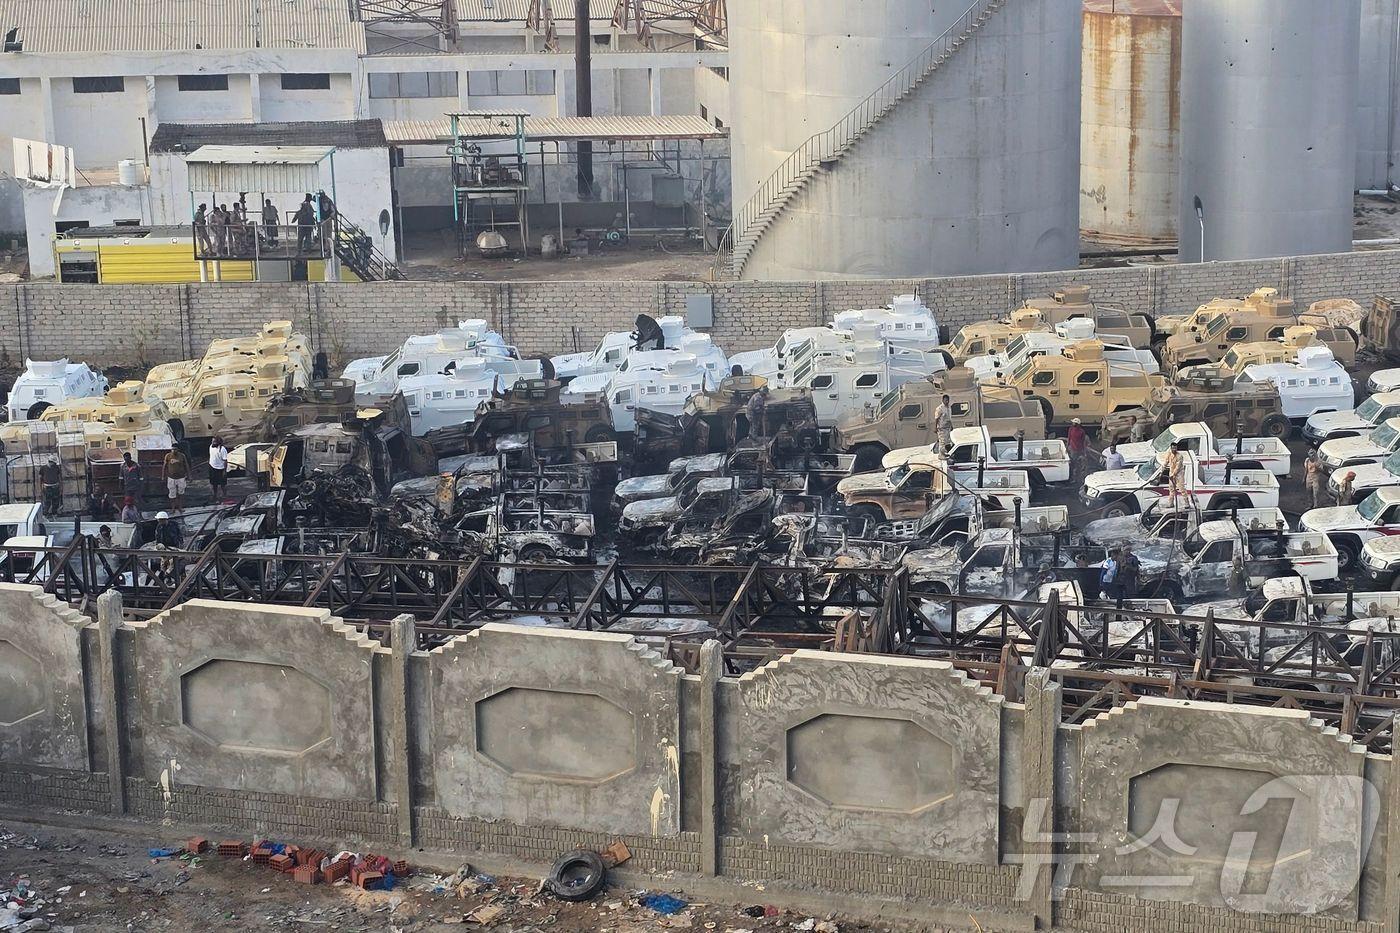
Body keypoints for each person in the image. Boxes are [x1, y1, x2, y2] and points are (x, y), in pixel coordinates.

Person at [164, 445, 190, 512]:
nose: (173, 451)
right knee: (172, 494)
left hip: (181, 477)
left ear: (178, 450)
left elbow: (186, 465)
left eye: (175, 449)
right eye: (172, 449)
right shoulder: (168, 456)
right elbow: (164, 466)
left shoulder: (182, 456)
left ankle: (180, 507)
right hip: (171, 478)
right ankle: (173, 508)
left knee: (180, 493)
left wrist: (189, 476)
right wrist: (163, 476)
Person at [1116, 543, 1140, 609]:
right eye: (1126, 550)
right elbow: (1117, 569)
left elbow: (1136, 569)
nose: (1127, 551)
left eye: (1129, 550)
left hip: (1129, 581)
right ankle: (1119, 613)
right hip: (1120, 580)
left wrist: (1128, 566)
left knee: (1130, 597)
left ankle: (1130, 612)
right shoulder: (1119, 557)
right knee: (1119, 598)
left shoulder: (1134, 558)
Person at [1164, 440, 1186, 507]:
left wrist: (1173, 474)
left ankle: (1186, 503)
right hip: (1171, 472)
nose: (1174, 449)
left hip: (1179, 474)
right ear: (1171, 448)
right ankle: (1171, 503)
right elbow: (1166, 461)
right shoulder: (1169, 454)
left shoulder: (1180, 456)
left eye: (1175, 448)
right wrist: (1163, 468)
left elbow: (1178, 467)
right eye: (1173, 448)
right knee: (1171, 489)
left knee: (1181, 488)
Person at [1067, 418, 1089, 482]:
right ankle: (1073, 478)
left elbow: (1083, 442)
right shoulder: (1071, 429)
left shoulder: (1082, 431)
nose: (1072, 423)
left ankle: (1077, 478)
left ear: (1076, 424)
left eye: (1073, 423)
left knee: (1077, 464)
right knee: (1073, 463)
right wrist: (1067, 447)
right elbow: (1069, 438)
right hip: (1072, 449)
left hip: (1078, 450)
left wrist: (1084, 451)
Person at [209, 436, 230, 501]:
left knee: (223, 484)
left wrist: (224, 471)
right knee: (213, 483)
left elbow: (225, 461)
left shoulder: (222, 449)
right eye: (212, 441)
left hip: (220, 469)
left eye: (214, 441)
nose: (212, 443)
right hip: (212, 467)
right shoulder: (211, 446)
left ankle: (224, 495)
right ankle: (214, 495)